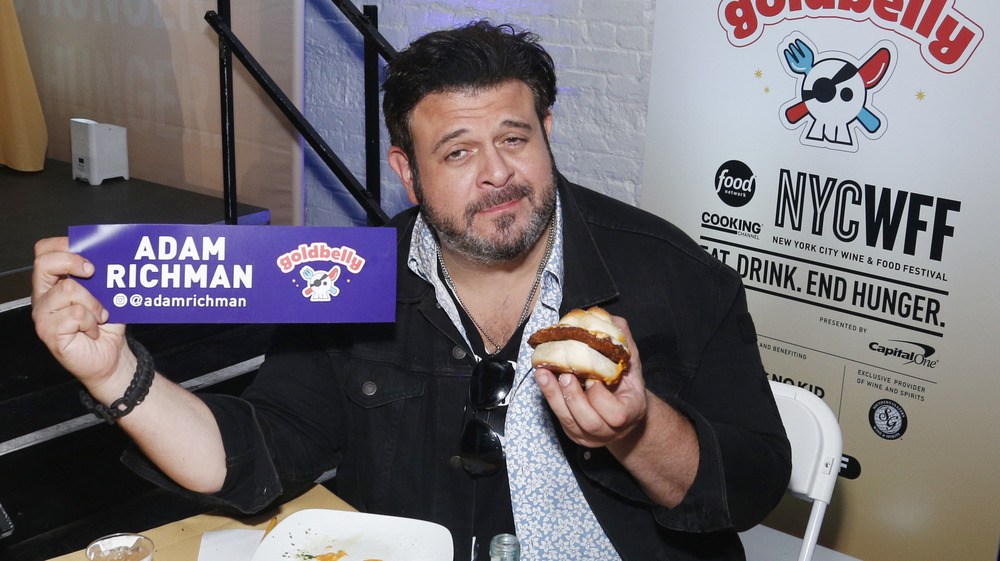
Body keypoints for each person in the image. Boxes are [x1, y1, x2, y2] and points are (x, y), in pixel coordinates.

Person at [31, 21, 791, 561]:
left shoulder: (675, 274)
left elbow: (749, 488)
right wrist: (116, 374)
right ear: (406, 170)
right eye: (458, 151)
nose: (497, 173)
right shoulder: (348, 275)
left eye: (515, 139)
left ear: (547, 133)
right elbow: (251, 453)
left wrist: (636, 427)